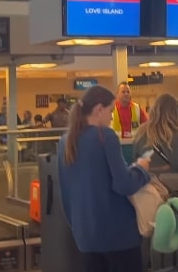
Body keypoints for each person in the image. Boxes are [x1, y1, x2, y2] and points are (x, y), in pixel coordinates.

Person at [58, 85, 151, 272]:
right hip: (118, 236)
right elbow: (123, 184)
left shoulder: (65, 142)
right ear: (99, 109)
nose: (111, 117)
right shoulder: (105, 136)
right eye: (110, 111)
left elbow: (66, 195)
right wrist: (142, 170)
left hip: (85, 237)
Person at [133, 93, 178, 174]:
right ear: (175, 112)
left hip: (146, 182)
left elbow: (135, 162)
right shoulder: (177, 134)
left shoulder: (141, 132)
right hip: (172, 184)